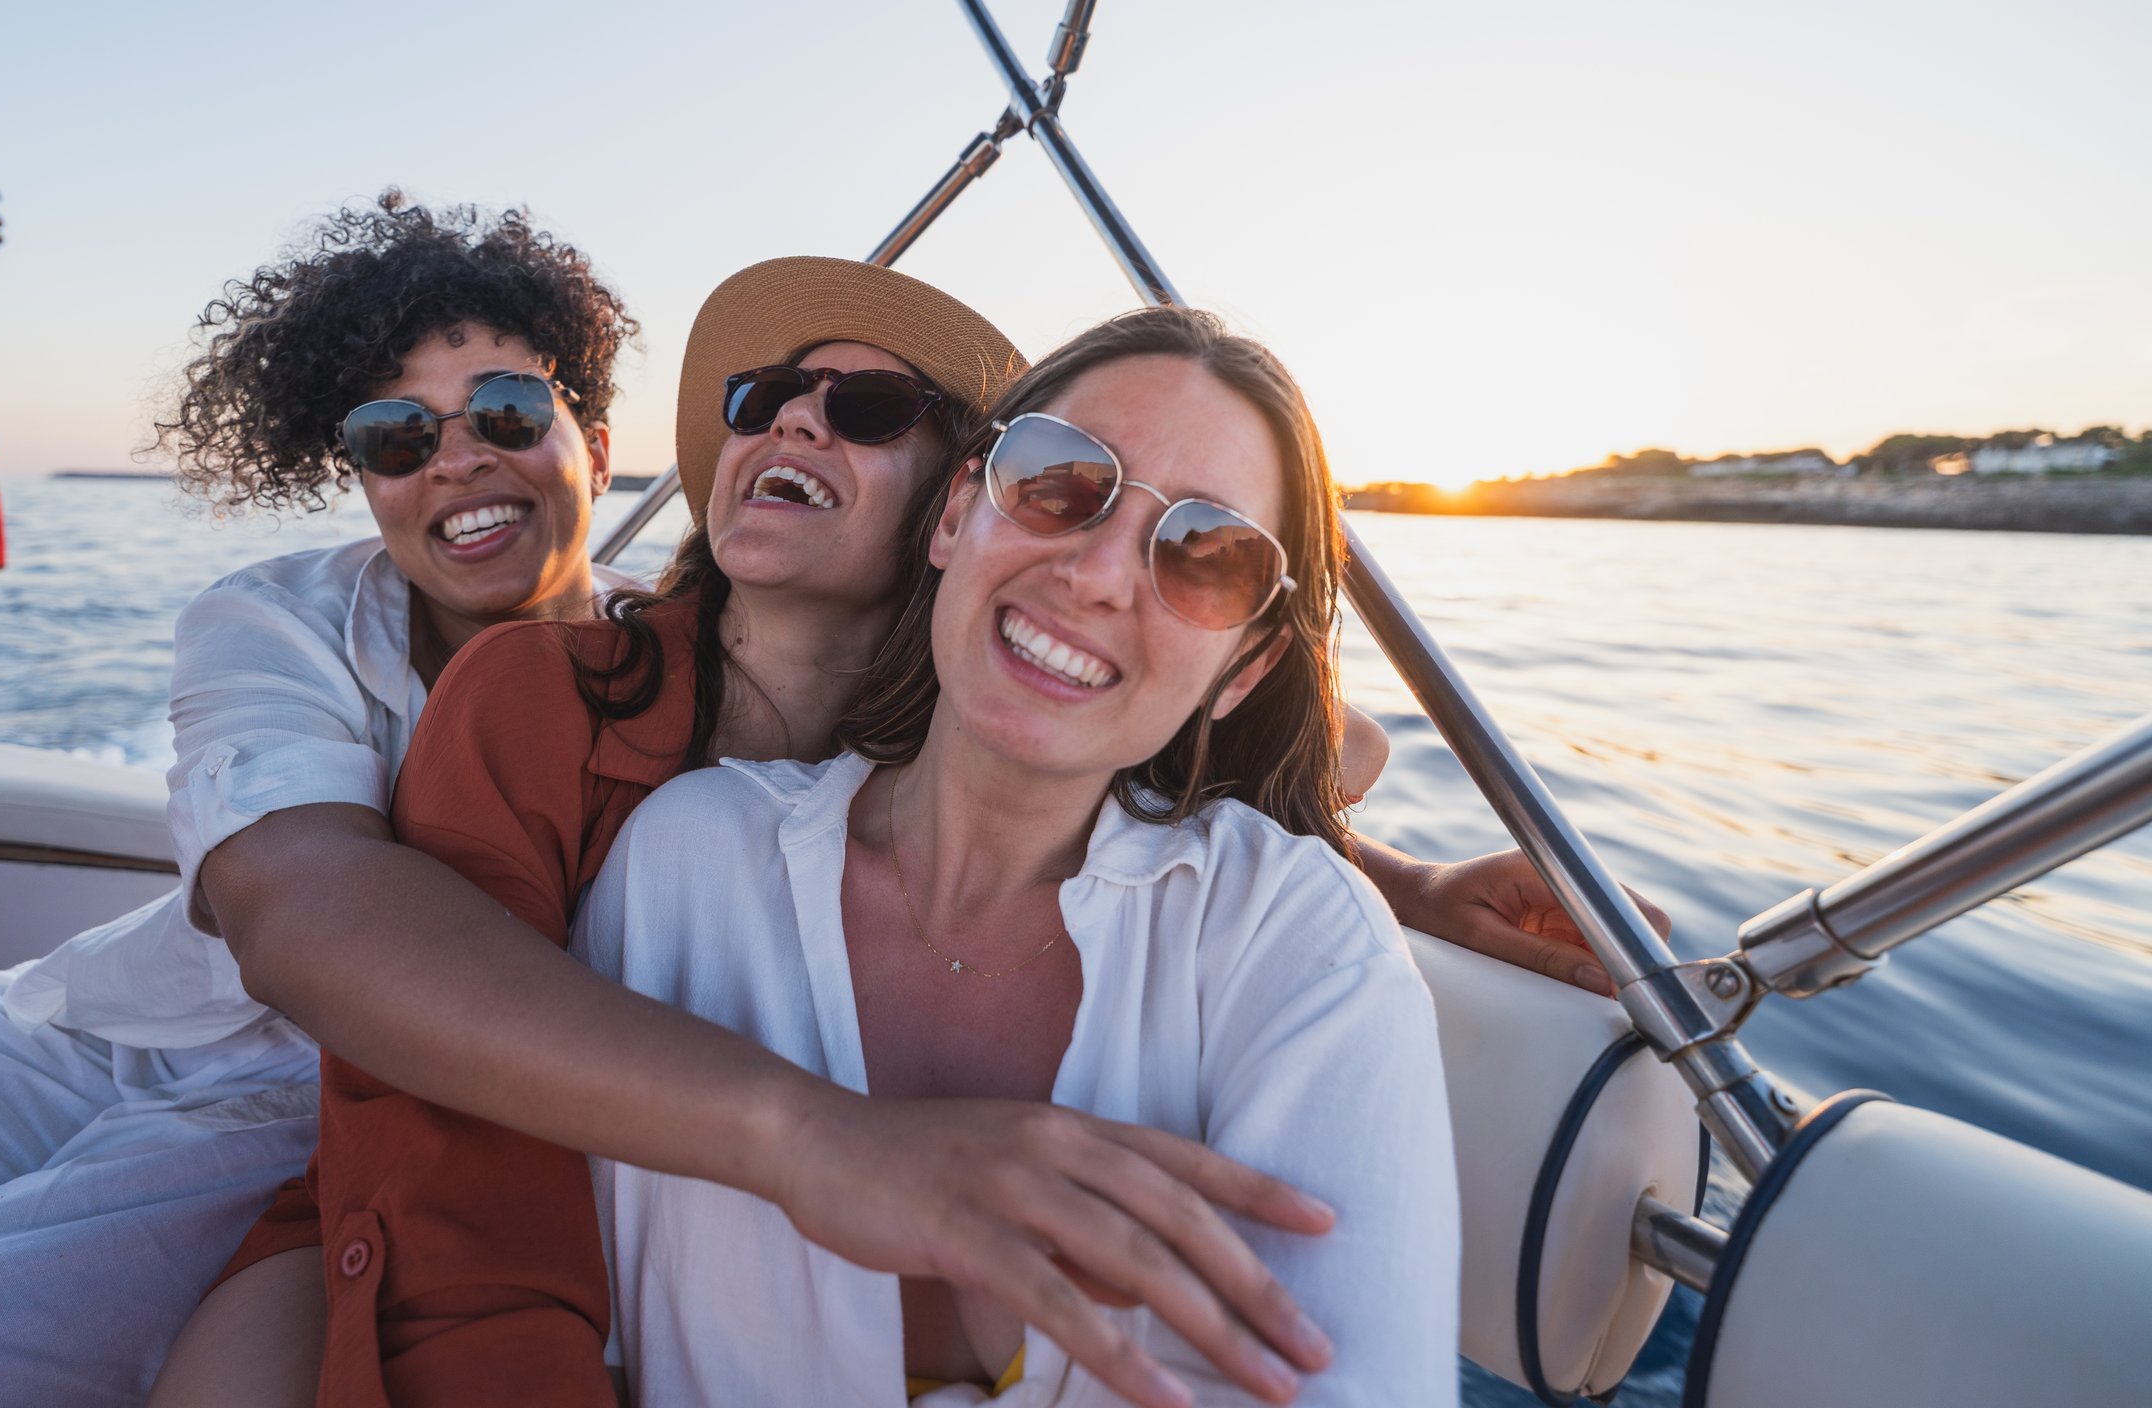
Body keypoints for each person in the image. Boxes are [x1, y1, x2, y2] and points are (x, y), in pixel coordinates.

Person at [162, 257, 1353, 1408]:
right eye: (766, 398)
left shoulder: (993, 751)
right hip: (446, 1234)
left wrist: (1397, 874)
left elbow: (1228, 727)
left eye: (871, 408)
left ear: (959, 507)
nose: (792, 424)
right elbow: (446, 1157)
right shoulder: (534, 696)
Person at [0, 194, 641, 1402]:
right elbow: (293, 919)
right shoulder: (274, 618)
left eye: (506, 409)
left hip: (294, 1130)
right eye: (396, 434)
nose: (457, 457)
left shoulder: (687, 675)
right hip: (72, 1040)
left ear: (592, 432)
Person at [581, 307, 1457, 1405]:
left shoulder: (1298, 941)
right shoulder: (685, 865)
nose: (1096, 575)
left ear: (1243, 667)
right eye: (1058, 480)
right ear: (956, 513)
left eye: (1207, 556)